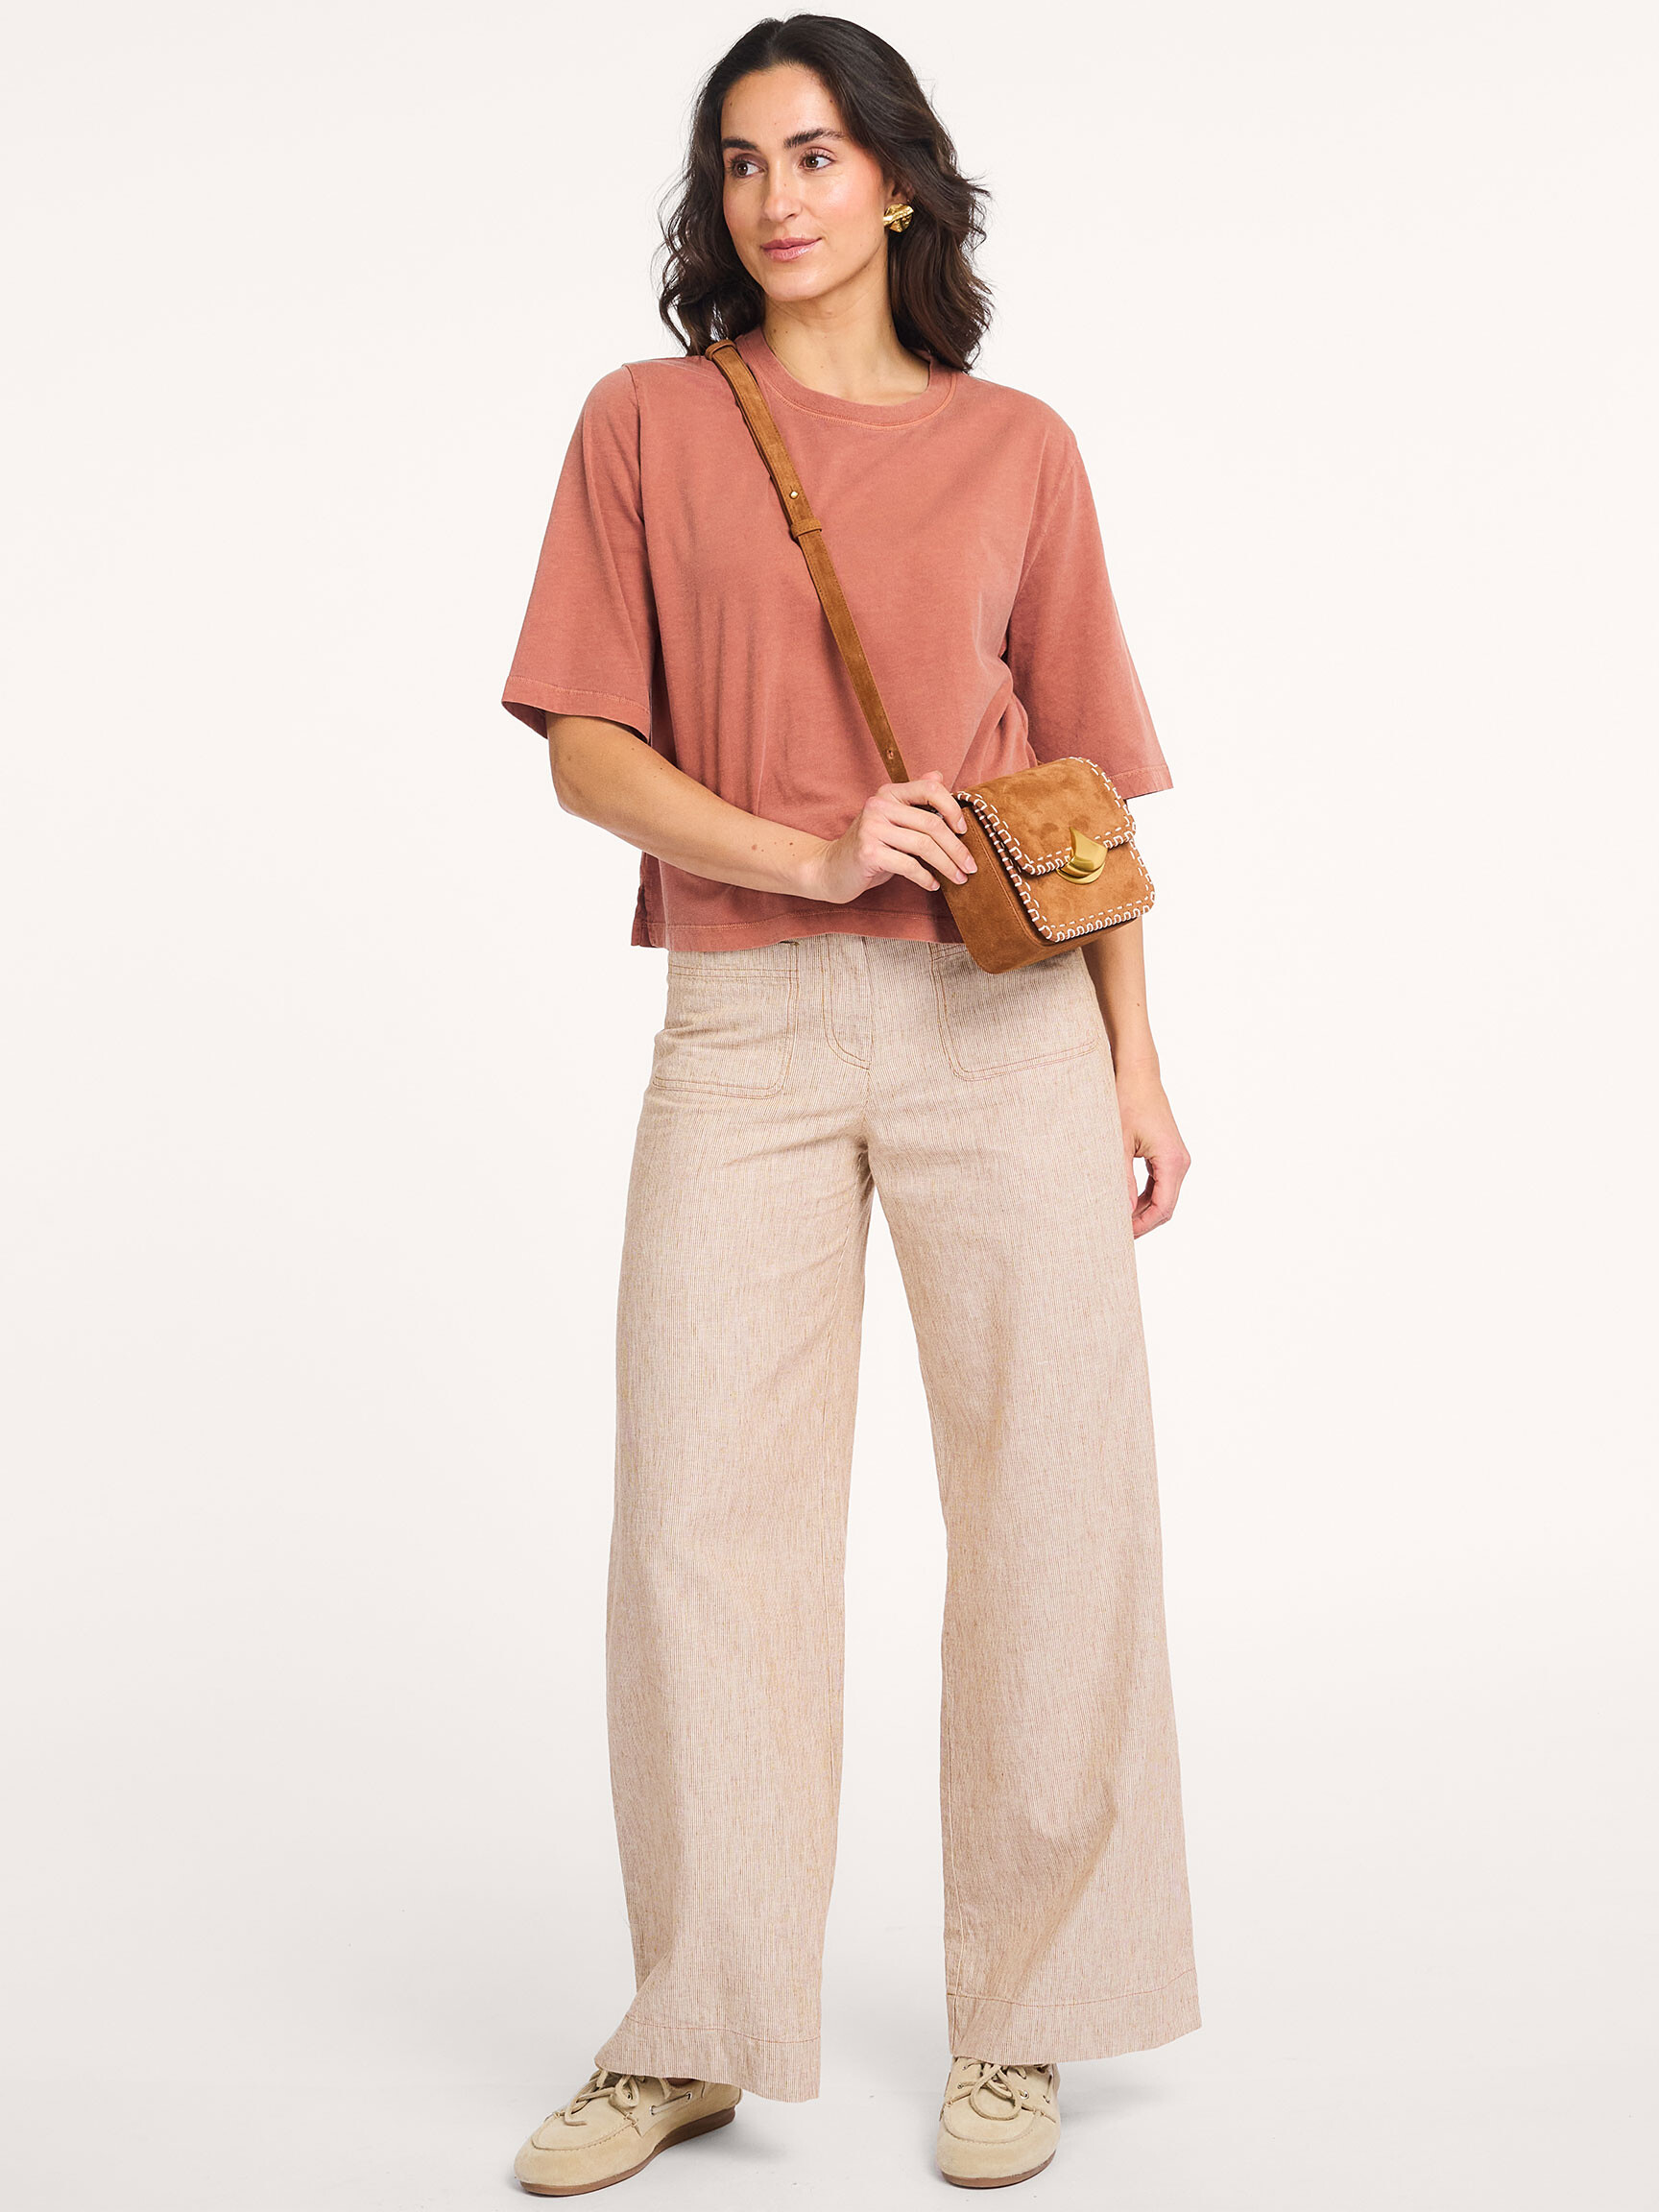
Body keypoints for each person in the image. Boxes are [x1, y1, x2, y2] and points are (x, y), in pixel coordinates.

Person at [498, 13, 1199, 2195]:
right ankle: (693, 2029)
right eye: (739, 162)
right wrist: (804, 856)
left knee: (1058, 1511)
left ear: (898, 182)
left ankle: (1033, 2019)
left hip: (1008, 1027)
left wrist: (1135, 1058)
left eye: (814, 154)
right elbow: (585, 746)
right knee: (701, 1527)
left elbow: (1087, 788)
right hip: (750, 1024)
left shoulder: (1019, 447)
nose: (775, 196)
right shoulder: (645, 424)